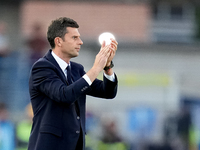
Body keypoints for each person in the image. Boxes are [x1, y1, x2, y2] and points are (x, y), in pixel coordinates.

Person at [28, 17, 118, 150]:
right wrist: (95, 69)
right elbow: (64, 95)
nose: (80, 42)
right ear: (58, 41)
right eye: (74, 38)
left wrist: (107, 67)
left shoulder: (77, 69)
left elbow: (108, 92)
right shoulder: (42, 68)